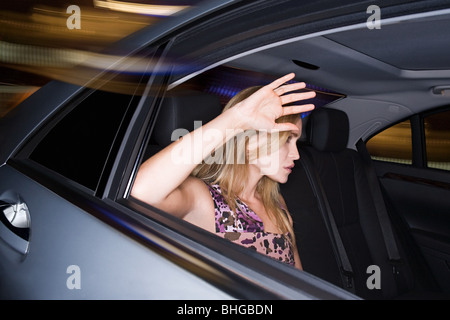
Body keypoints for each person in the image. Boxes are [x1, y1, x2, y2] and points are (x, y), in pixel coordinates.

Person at [131, 73, 316, 270]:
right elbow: (141, 191)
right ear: (250, 139)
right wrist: (236, 119)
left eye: (296, 141)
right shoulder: (204, 198)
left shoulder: (276, 204)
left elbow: (298, 279)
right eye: (287, 139)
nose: (296, 154)